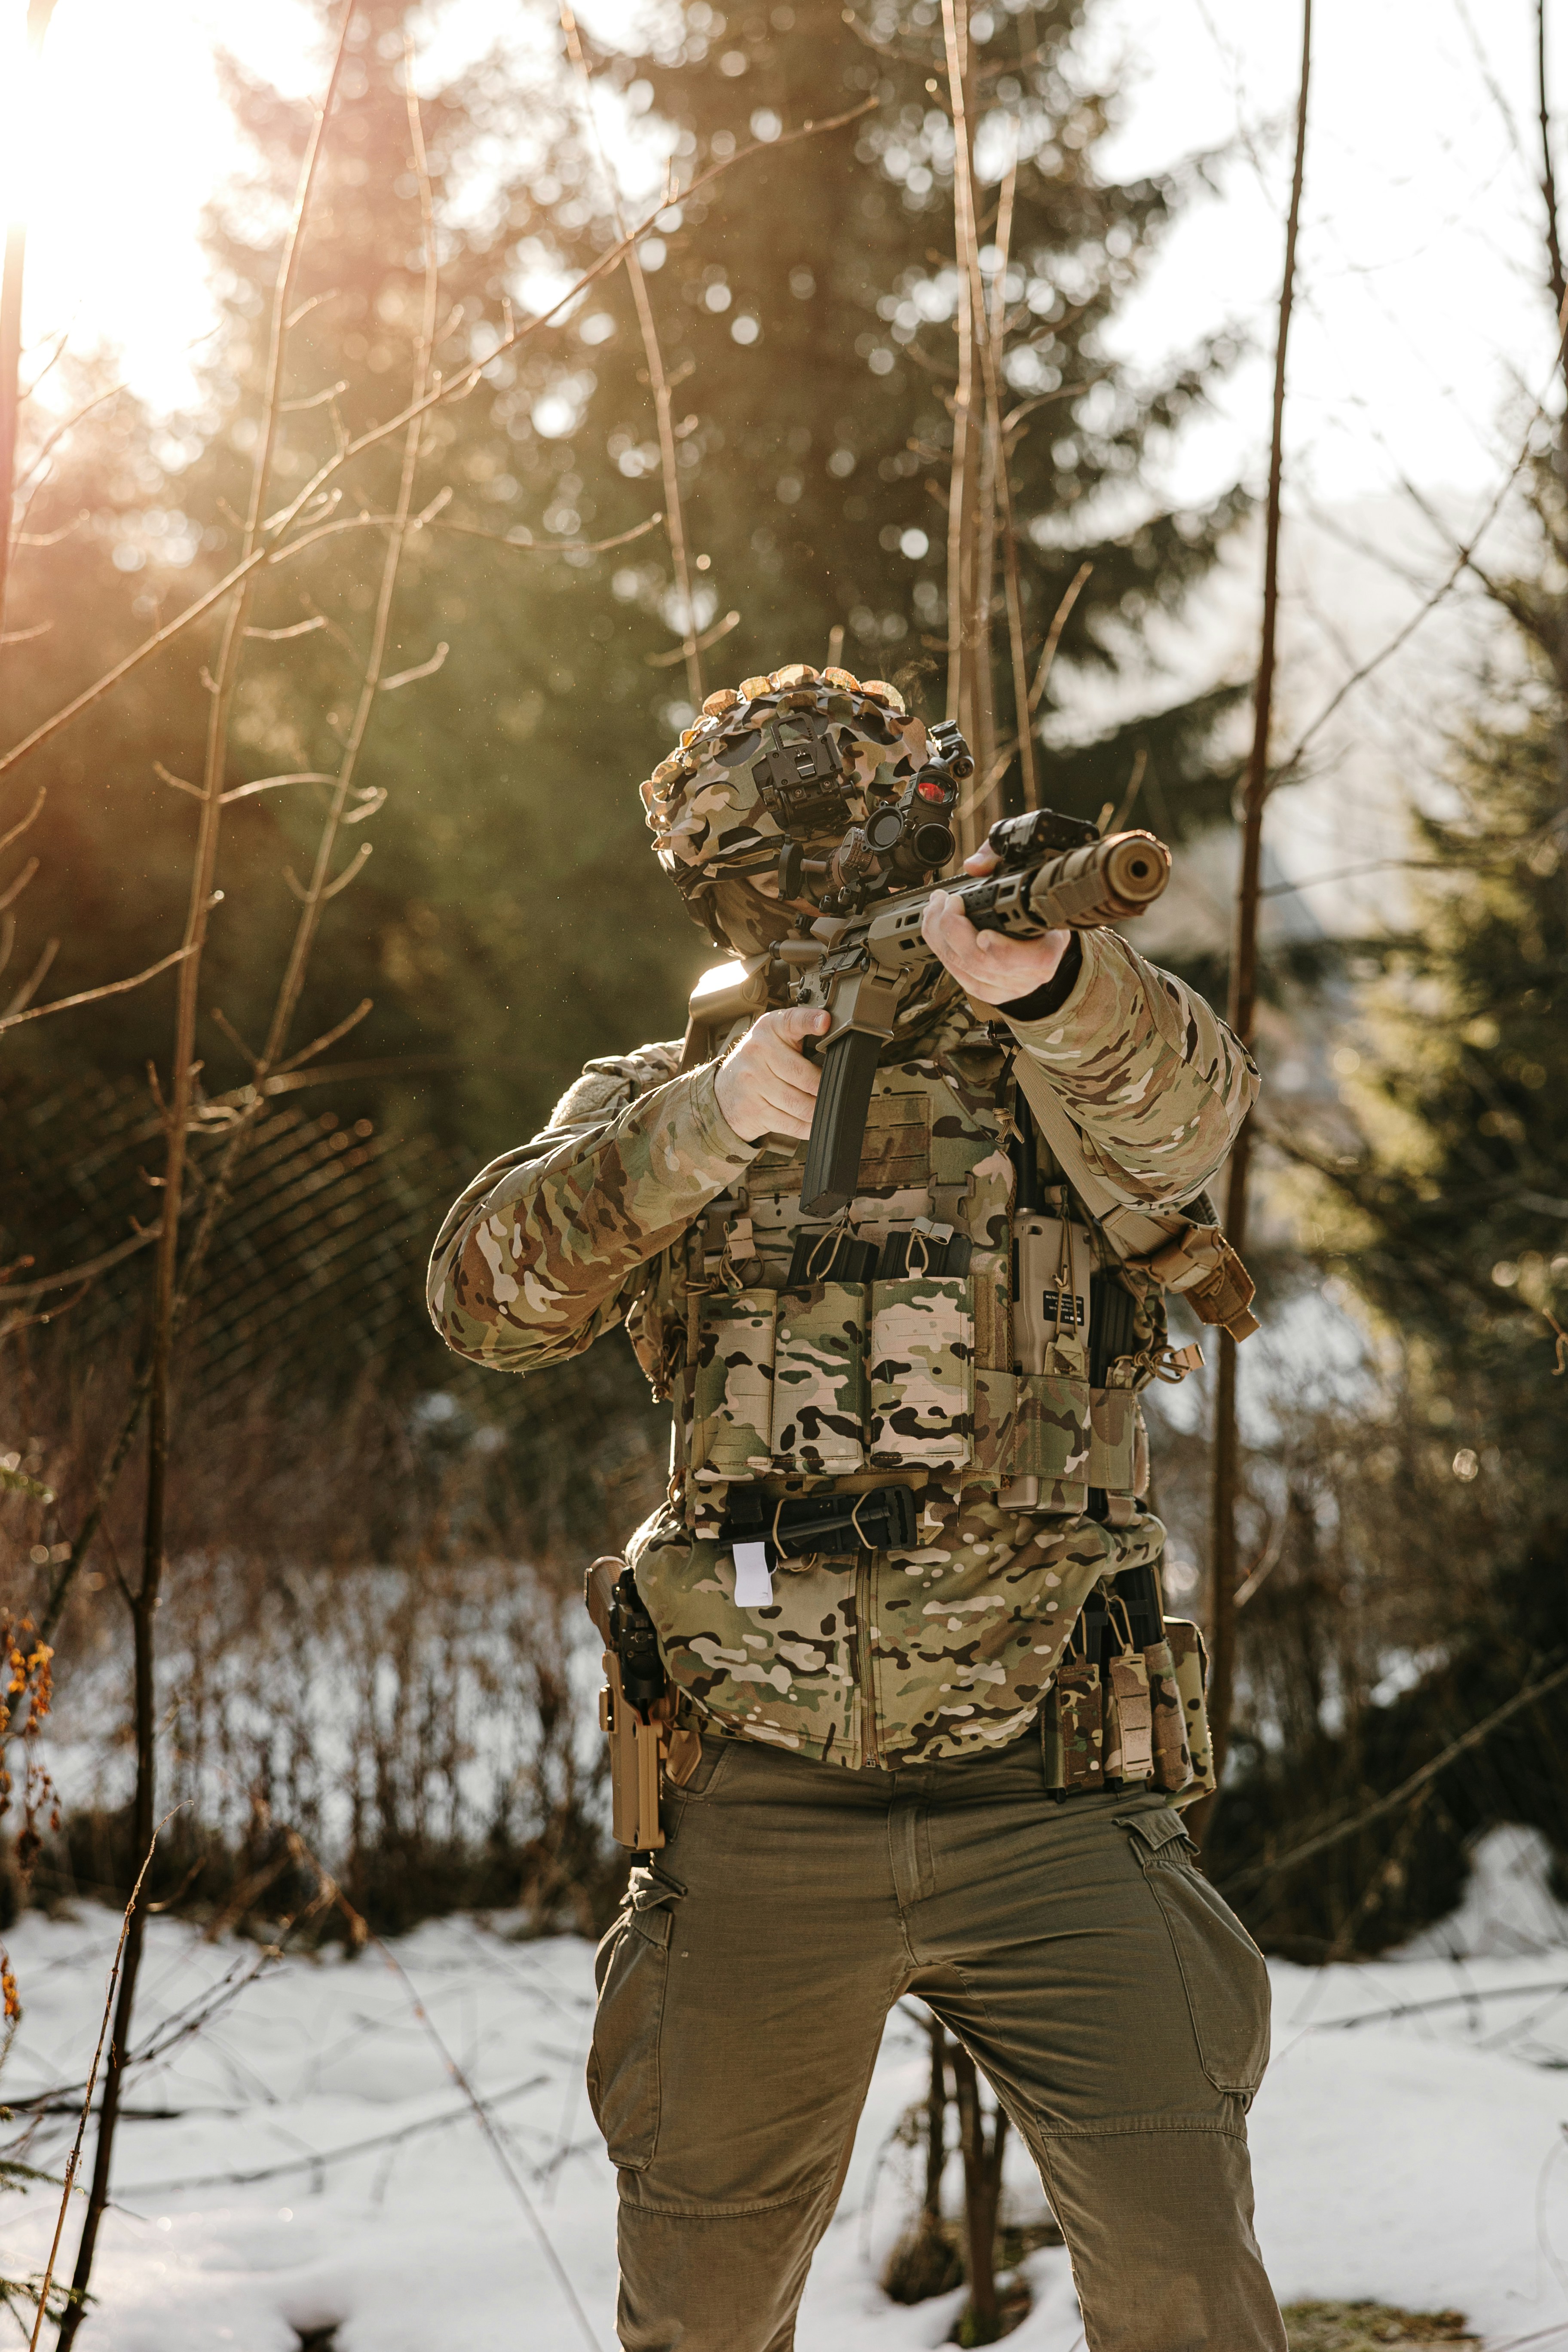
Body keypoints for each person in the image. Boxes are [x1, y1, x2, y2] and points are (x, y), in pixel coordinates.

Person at [427, 662, 1286, 2352]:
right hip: (757, 1795)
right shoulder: (672, 1081)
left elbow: (1194, 1111)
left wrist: (1060, 987)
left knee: (1186, 2275)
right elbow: (483, 1299)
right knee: (704, 2307)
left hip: (1056, 1785)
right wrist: (703, 1126)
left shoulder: (1053, 1048)